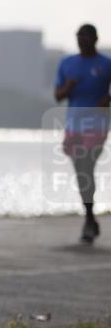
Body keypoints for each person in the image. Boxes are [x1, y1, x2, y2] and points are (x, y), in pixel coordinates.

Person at [54, 23, 111, 243]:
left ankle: (89, 220)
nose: (81, 41)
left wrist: (109, 98)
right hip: (74, 126)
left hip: (97, 125)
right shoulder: (67, 63)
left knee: (86, 165)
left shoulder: (106, 64)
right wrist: (67, 88)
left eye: (85, 37)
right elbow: (57, 96)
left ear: (95, 39)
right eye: (78, 37)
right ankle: (90, 218)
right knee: (81, 172)